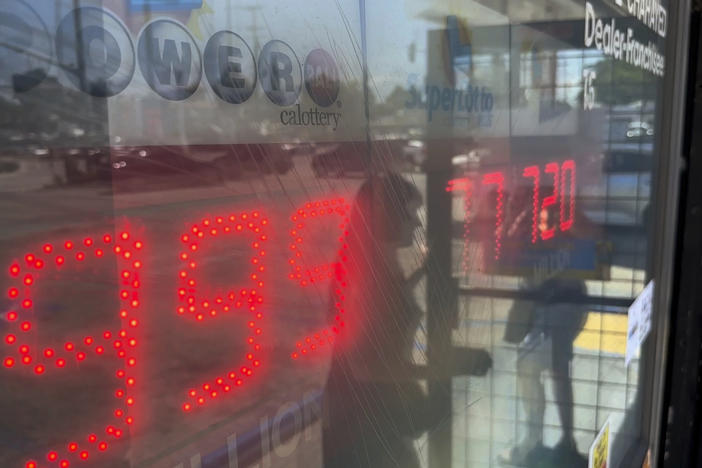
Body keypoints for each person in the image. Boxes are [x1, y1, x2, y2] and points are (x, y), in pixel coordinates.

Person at [322, 173, 492, 468]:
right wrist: (441, 369)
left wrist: (422, 271)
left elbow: (388, 303)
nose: (416, 223)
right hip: (364, 432)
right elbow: (365, 366)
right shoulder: (365, 276)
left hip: (372, 422)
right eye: (411, 214)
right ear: (387, 215)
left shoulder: (373, 261)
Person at [499, 184, 590, 467]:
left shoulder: (557, 220)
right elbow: (505, 251)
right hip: (547, 304)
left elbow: (586, 242)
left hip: (563, 303)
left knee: (545, 367)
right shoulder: (522, 225)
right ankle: (555, 438)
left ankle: (545, 438)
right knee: (548, 369)